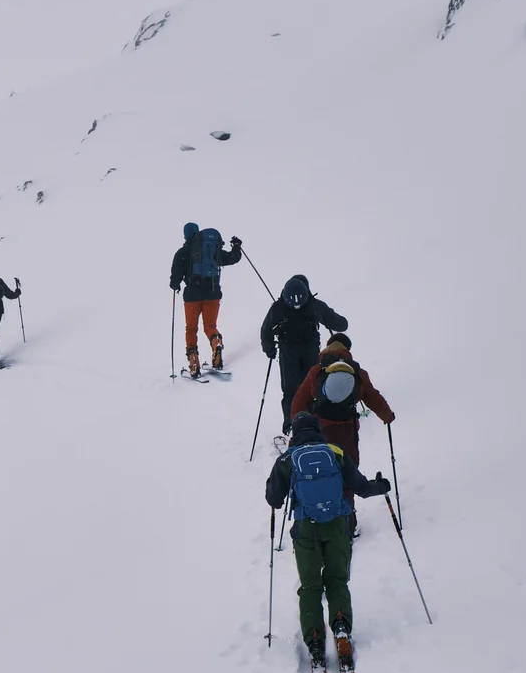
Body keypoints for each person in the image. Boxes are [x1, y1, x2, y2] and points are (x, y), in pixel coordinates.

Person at [263, 412, 391, 673]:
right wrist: (382, 486)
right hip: (338, 525)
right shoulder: (335, 451)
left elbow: (273, 499)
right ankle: (341, 627)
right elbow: (362, 488)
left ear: (295, 434)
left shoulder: (287, 458)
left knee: (310, 585)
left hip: (306, 529)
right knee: (336, 580)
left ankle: (315, 641)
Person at [289, 332, 394, 532]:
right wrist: (387, 416)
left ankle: (318, 514)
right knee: (348, 473)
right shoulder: (357, 373)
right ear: (347, 350)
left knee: (320, 470)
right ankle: (348, 522)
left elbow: (298, 402)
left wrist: (298, 428)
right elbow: (373, 397)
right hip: (348, 431)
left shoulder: (316, 372)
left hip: (321, 431)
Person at [259, 275, 349, 435]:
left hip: (289, 351)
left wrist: (269, 347)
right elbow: (338, 322)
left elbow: (266, 330)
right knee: (312, 385)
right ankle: (310, 422)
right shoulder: (313, 305)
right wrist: (338, 324)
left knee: (292, 389)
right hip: (307, 349)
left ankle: (292, 424)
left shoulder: (279, 308)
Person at [169, 223, 243, 376]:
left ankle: (193, 362)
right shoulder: (211, 250)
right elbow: (232, 258)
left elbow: (174, 280)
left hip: (192, 297)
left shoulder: (182, 252)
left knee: (191, 329)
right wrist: (236, 246)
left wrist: (176, 285)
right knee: (210, 326)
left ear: (185, 235)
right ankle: (216, 343)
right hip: (213, 294)